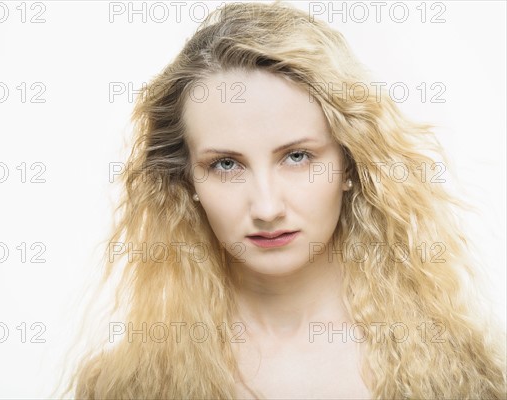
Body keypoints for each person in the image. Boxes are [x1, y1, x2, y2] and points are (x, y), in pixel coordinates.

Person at [63, 1, 506, 398]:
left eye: (297, 156)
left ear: (351, 164)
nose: (267, 207)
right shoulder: (130, 385)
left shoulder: (460, 372)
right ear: (186, 182)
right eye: (226, 165)